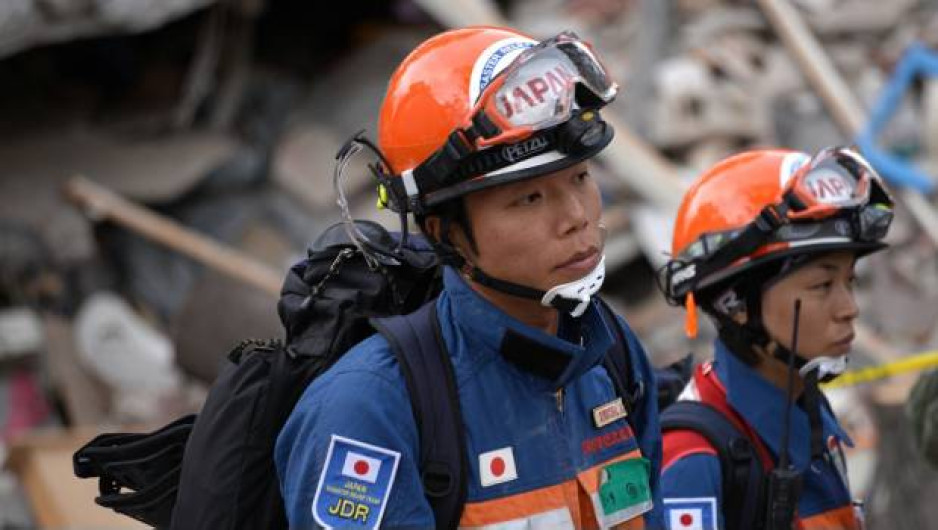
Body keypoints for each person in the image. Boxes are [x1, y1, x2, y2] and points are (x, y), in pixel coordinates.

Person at [274, 26, 664, 528]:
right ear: (446, 232)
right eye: (529, 198)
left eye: (580, 177)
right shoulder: (368, 410)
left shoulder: (610, 353)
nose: (576, 217)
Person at [656, 147, 894, 530]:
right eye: (822, 285)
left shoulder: (807, 411)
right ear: (735, 303)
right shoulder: (693, 461)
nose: (849, 308)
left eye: (849, 281)